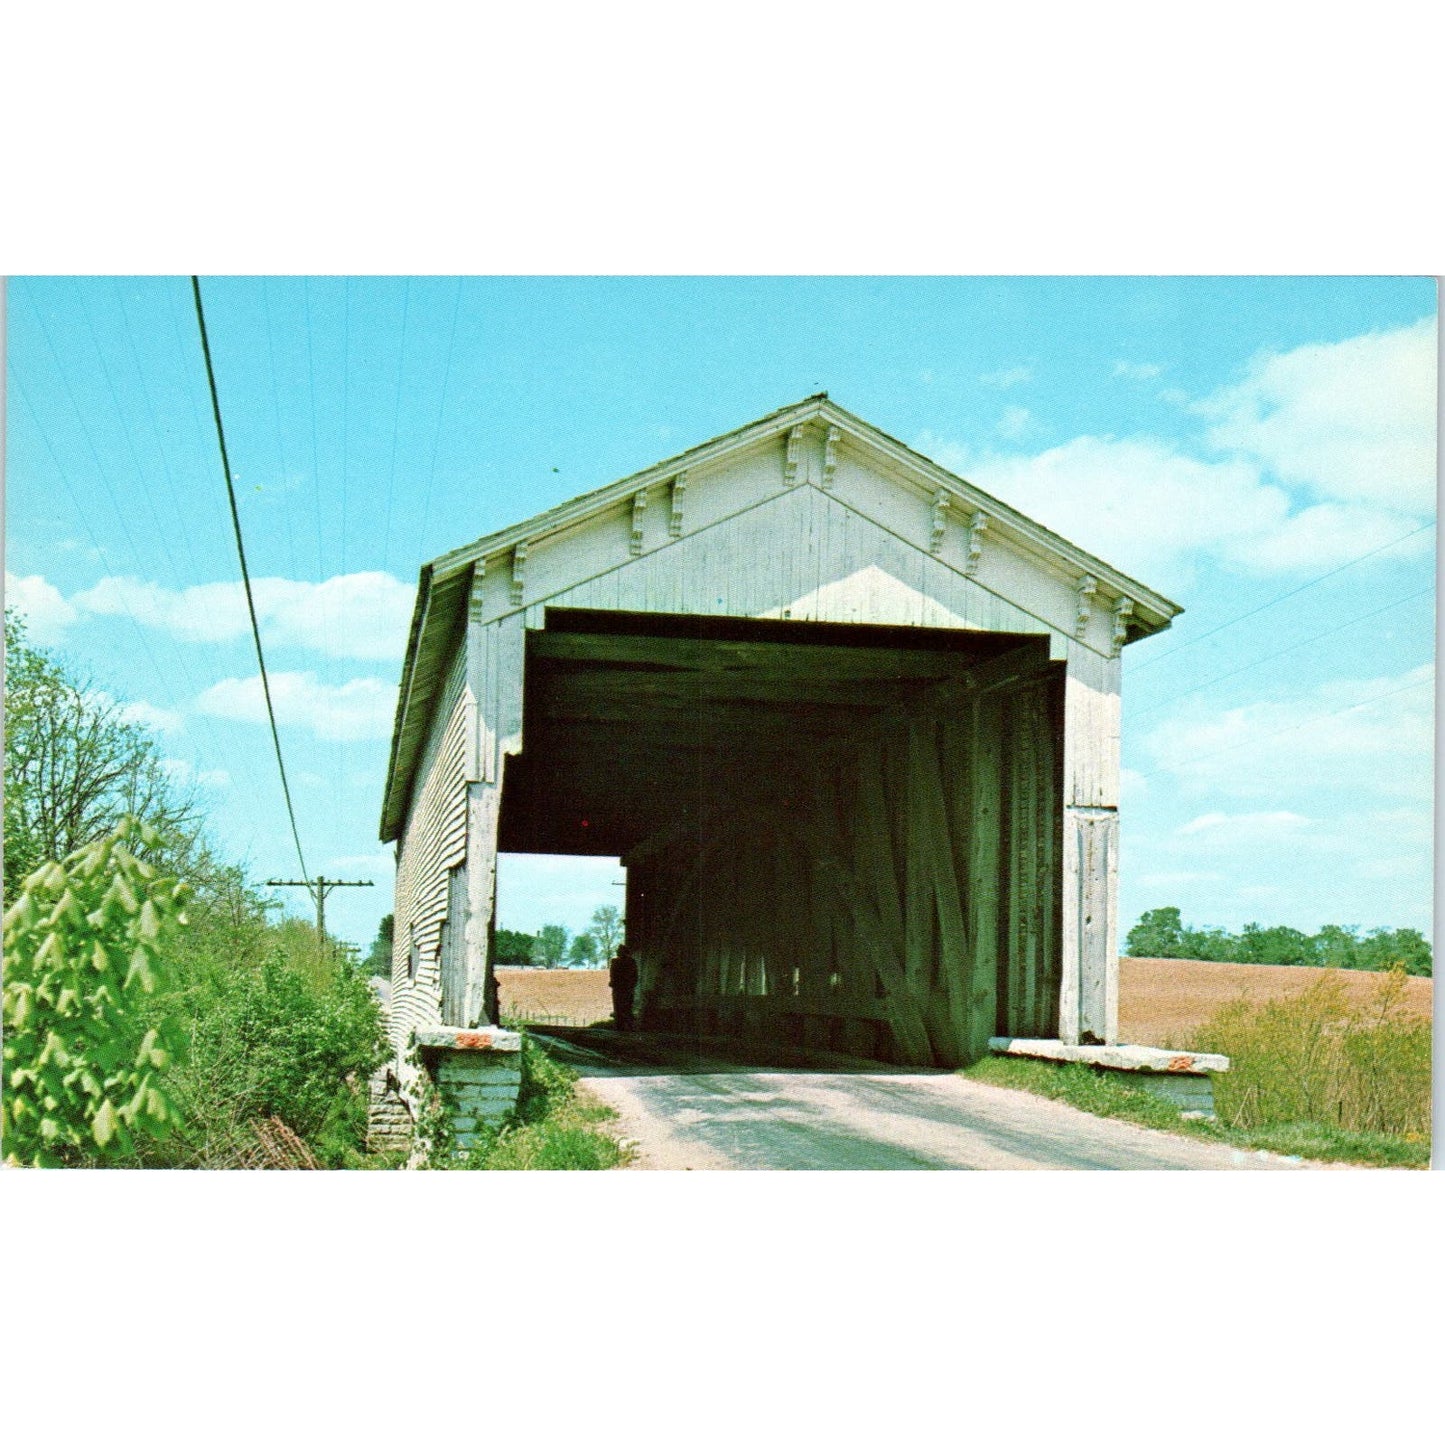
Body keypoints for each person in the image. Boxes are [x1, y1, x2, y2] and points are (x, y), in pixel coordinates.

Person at [609, 944, 639, 1032]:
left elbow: (613, 976)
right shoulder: (632, 962)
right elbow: (635, 977)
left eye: (618, 950)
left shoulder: (615, 962)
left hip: (619, 989)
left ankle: (620, 1029)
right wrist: (631, 986)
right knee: (627, 1009)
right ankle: (629, 1028)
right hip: (627, 989)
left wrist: (614, 983)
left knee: (619, 1009)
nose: (617, 952)